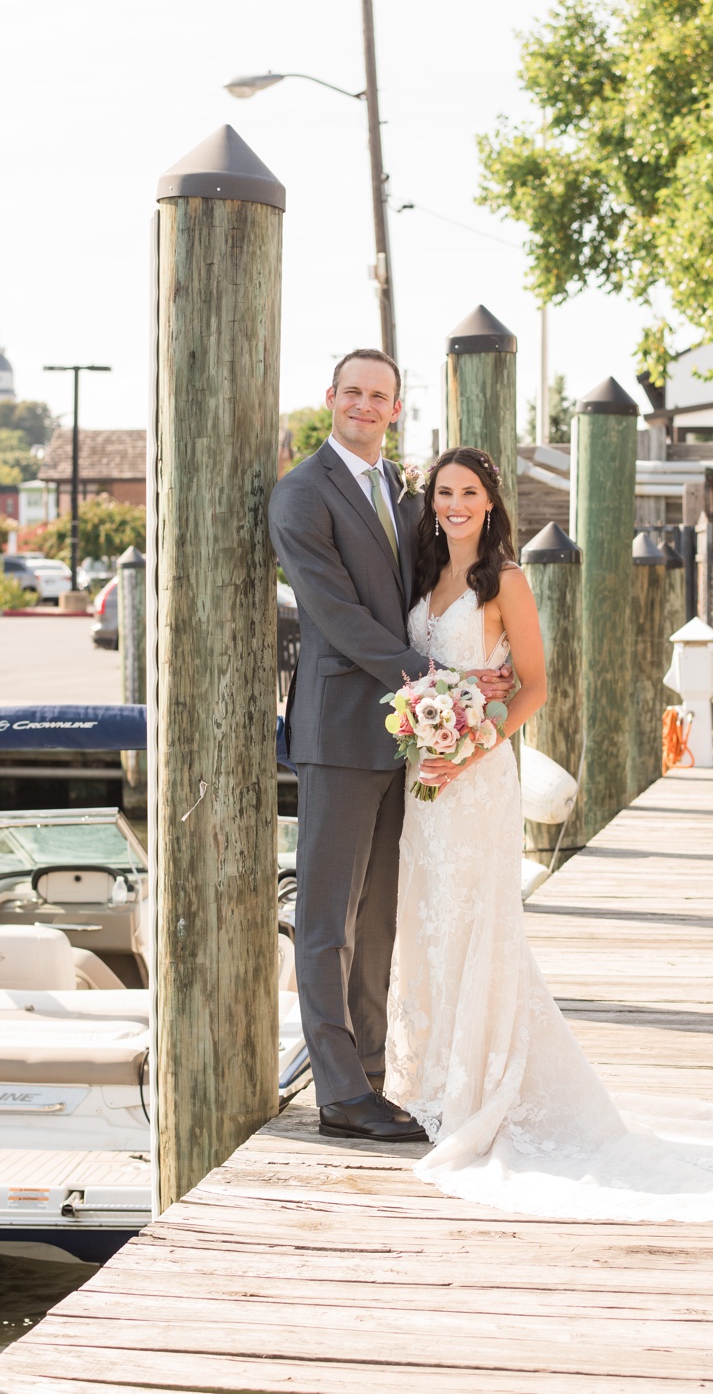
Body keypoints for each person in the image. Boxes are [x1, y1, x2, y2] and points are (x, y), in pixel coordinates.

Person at [386, 446, 713, 1220]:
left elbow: (533, 686)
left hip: (476, 775)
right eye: (443, 493)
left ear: (491, 503)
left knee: (476, 923)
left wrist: (473, 745)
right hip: (425, 777)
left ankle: (481, 1088)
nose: (454, 504)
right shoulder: (424, 580)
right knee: (424, 923)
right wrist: (434, 730)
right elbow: (425, 672)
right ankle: (429, 1083)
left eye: (468, 492)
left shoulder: (508, 581)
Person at [268, 350, 511, 1142]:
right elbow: (334, 614)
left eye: (381, 396)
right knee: (327, 919)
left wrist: (485, 659)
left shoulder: (403, 494)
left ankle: (372, 1077)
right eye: (354, 393)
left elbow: (432, 586)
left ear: (396, 409)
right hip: (340, 728)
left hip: (406, 736)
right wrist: (441, 679)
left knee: (379, 920)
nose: (366, 405)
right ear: (329, 398)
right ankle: (338, 1094)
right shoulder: (302, 494)